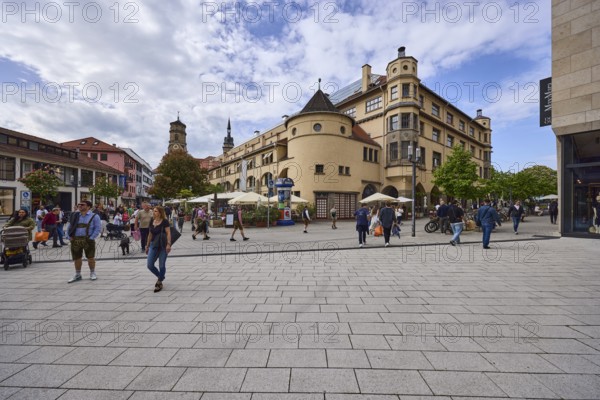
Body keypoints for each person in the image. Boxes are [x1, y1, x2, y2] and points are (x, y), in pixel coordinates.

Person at [67, 200, 101, 282]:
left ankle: (92, 273)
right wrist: (68, 236)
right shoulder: (75, 215)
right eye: (79, 204)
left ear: (88, 207)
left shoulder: (94, 216)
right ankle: (78, 274)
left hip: (88, 239)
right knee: (77, 258)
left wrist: (92, 237)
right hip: (75, 239)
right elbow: (69, 227)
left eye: (82, 205)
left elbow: (97, 228)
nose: (80, 206)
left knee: (90, 257)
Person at [146, 206, 172, 293]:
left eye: (156, 211)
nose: (154, 212)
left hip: (163, 245)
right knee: (150, 265)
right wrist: (147, 245)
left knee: (161, 265)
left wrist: (168, 244)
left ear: (160, 213)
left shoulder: (164, 221)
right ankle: (161, 277)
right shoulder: (151, 221)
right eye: (153, 211)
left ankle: (159, 281)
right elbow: (150, 234)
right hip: (153, 245)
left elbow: (168, 233)